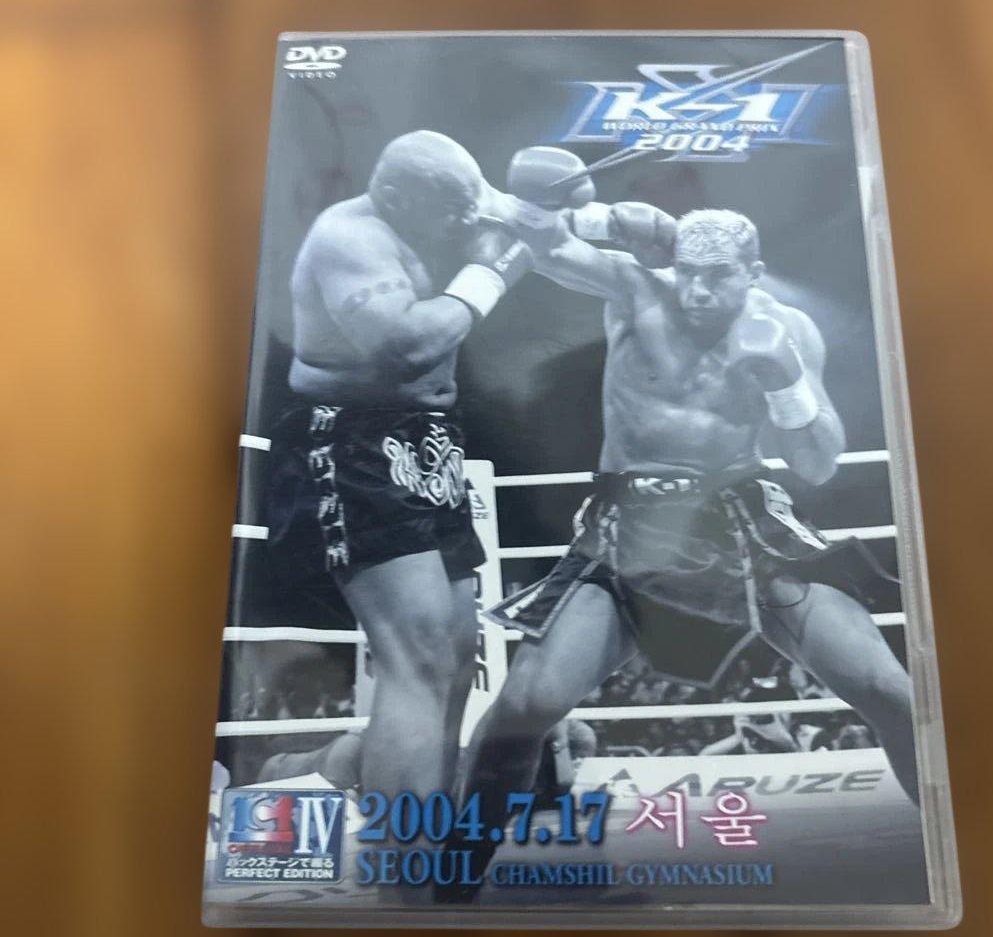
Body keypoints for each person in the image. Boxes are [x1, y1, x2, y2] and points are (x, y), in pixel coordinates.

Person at [462, 153, 919, 844]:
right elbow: (548, 245)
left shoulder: (790, 329)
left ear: (753, 273)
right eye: (690, 273)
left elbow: (818, 462)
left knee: (888, 689)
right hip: (628, 521)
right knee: (527, 704)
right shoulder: (636, 290)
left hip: (742, 515)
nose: (698, 292)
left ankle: (967, 844)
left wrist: (787, 384)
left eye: (718, 276)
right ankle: (454, 870)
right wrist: (562, 204)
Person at [267, 130, 534, 801]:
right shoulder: (349, 238)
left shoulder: (454, 203)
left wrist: (618, 227)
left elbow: (547, 224)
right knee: (416, 656)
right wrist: (489, 273)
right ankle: (399, 855)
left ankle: (424, 832)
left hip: (432, 439)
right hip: (354, 440)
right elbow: (407, 345)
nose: (466, 219)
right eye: (453, 209)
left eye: (469, 204)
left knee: (457, 656)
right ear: (395, 196)